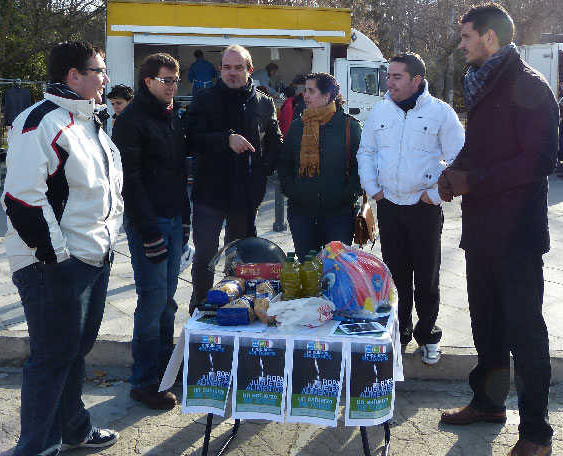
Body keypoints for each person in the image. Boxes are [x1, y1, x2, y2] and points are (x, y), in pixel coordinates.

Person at [438, 3, 558, 456]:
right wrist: (455, 173)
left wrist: (477, 180)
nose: (462, 44)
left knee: (525, 333)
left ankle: (535, 436)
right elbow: (481, 146)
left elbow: (540, 158)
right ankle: (488, 404)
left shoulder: (529, 84)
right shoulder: (481, 83)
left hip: (517, 238)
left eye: (467, 36)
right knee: (485, 325)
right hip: (482, 232)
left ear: (489, 37)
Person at [2, 41, 123, 455]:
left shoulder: (91, 121)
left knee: (74, 351)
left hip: (92, 257)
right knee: (52, 357)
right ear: (74, 75)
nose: (106, 78)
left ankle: (73, 429)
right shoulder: (40, 122)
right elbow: (21, 198)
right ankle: (35, 447)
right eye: (99, 70)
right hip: (51, 264)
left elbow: (101, 191)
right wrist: (58, 259)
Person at [357, 53, 464, 365]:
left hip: (423, 208)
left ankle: (428, 335)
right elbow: (367, 151)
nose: (389, 83)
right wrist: (373, 188)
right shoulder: (379, 111)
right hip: (389, 205)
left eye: (397, 77)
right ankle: (399, 332)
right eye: (388, 77)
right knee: (395, 275)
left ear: (417, 80)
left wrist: (435, 195)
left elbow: (460, 159)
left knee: (427, 276)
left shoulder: (440, 113)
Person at [112, 53, 189, 410]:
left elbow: (178, 174)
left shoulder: (172, 117)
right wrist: (148, 232)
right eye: (166, 81)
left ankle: (164, 369)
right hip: (150, 223)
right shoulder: (131, 120)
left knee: (168, 301)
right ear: (148, 81)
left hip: (173, 218)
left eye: (176, 81)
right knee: (152, 301)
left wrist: (184, 222)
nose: (173, 87)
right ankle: (143, 380)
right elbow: (131, 182)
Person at [186, 44, 282, 315]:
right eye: (227, 67)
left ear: (249, 70)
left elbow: (275, 140)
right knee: (205, 257)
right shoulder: (204, 99)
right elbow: (191, 138)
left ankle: (234, 307)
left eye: (238, 68)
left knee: (239, 259)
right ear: (220, 70)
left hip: (245, 195)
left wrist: (263, 172)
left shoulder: (263, 102)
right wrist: (225, 139)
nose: (232, 73)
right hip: (209, 194)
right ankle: (201, 309)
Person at [278, 72, 362, 262]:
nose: (305, 95)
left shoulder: (350, 126)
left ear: (327, 95)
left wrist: (347, 193)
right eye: (305, 90)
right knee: (308, 270)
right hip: (302, 214)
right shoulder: (298, 126)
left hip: (338, 215)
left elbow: (361, 166)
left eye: (311, 91)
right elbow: (285, 163)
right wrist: (292, 190)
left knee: (337, 269)